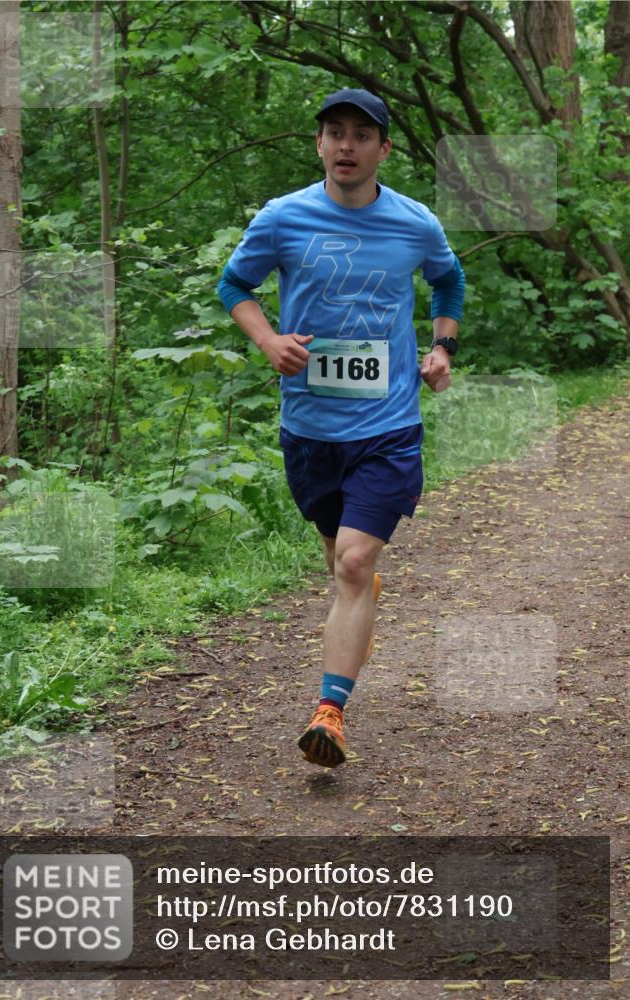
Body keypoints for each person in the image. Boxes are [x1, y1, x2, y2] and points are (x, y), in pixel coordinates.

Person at [217, 88, 465, 769]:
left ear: (384, 148)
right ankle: (359, 597)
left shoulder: (414, 223)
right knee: (340, 563)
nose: (346, 145)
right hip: (310, 428)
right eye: (334, 132)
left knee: (354, 564)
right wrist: (267, 339)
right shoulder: (282, 217)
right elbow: (234, 286)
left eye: (360, 134)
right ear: (320, 144)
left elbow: (448, 283)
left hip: (388, 425)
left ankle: (329, 713)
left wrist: (443, 348)